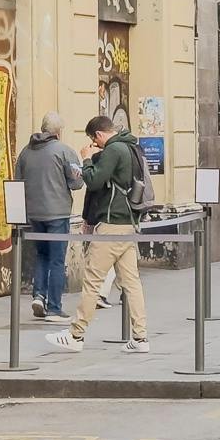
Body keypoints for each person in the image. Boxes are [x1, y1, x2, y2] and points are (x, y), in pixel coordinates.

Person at [46, 116, 152, 352]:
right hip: (128, 223)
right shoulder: (130, 146)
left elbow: (94, 181)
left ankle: (76, 334)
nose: (95, 144)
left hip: (111, 224)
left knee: (93, 280)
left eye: (94, 140)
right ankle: (140, 337)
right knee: (131, 283)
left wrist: (86, 158)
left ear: (99, 135)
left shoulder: (114, 149)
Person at [15, 112, 83, 320]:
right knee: (57, 259)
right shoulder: (64, 151)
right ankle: (54, 306)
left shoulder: (26, 152)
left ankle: (39, 296)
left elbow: (17, 181)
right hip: (57, 213)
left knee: (42, 255)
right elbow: (76, 182)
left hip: (34, 214)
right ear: (58, 132)